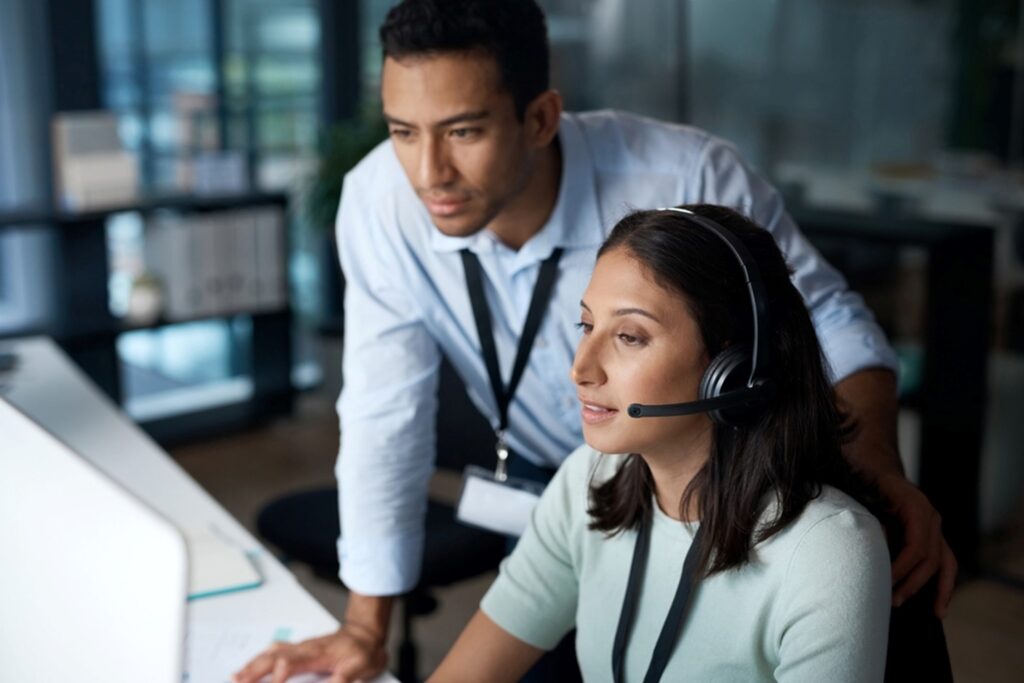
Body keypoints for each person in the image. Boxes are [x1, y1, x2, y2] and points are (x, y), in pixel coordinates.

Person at [234, 1, 954, 681]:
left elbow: (825, 324)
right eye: (401, 131)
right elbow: (383, 412)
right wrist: (366, 626)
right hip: (599, 497)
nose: (428, 174)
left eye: (463, 131)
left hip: (730, 484)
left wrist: (873, 472)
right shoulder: (381, 203)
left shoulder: (682, 177)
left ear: (541, 117)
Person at [429, 204, 892, 682]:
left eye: (630, 336)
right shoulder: (588, 479)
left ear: (734, 370)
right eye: (587, 326)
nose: (581, 368)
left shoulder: (826, 551)